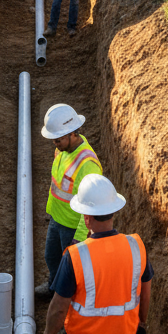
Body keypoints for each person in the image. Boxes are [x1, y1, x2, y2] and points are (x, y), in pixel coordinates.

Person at [40, 174, 152, 334]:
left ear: (86, 217)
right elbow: (146, 290)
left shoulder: (75, 256)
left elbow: (59, 307)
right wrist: (140, 323)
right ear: (114, 211)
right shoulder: (136, 246)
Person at [34, 104, 103, 301]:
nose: (54, 143)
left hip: (73, 227)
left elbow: (92, 206)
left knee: (71, 270)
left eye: (58, 139)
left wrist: (80, 237)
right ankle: (53, 288)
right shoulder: (63, 149)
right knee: (51, 257)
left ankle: (69, 303)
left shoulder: (88, 165)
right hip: (57, 218)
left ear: (73, 133)